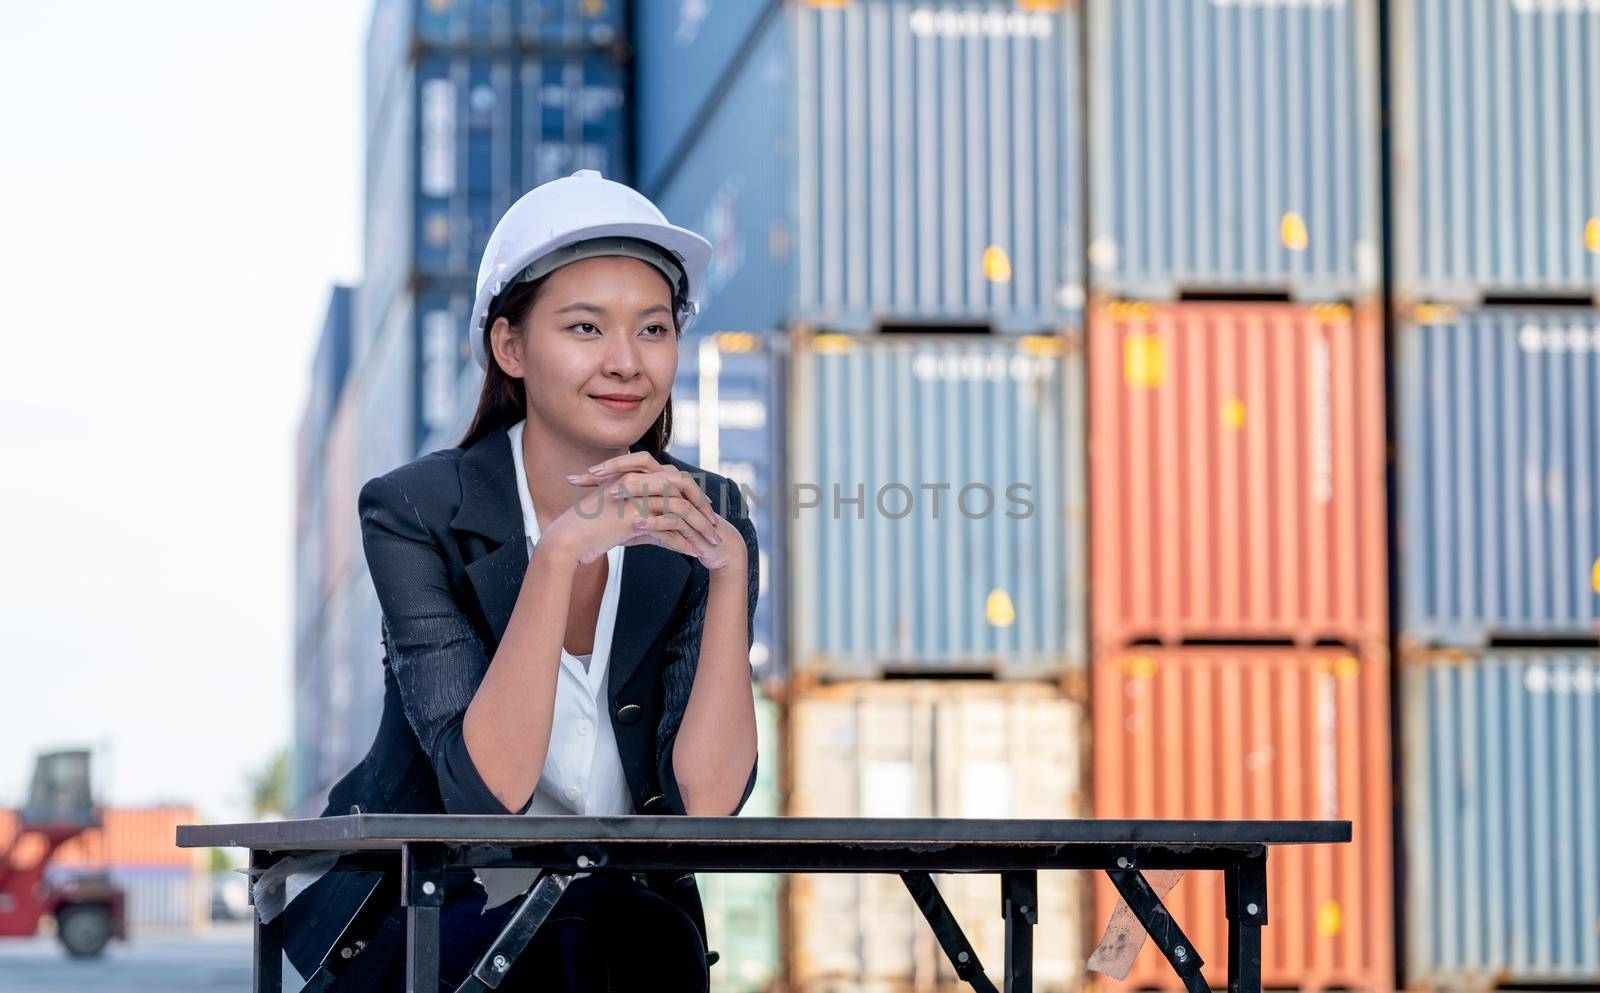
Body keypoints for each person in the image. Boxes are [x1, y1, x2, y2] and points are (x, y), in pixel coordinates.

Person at [277, 169, 761, 992]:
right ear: (510, 347)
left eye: (653, 329)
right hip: (429, 910)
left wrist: (730, 577)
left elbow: (708, 804)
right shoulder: (414, 509)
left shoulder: (706, 515)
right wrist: (558, 556)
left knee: (618, 923)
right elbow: (486, 789)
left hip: (622, 926)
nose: (625, 362)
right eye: (584, 327)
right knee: (587, 928)